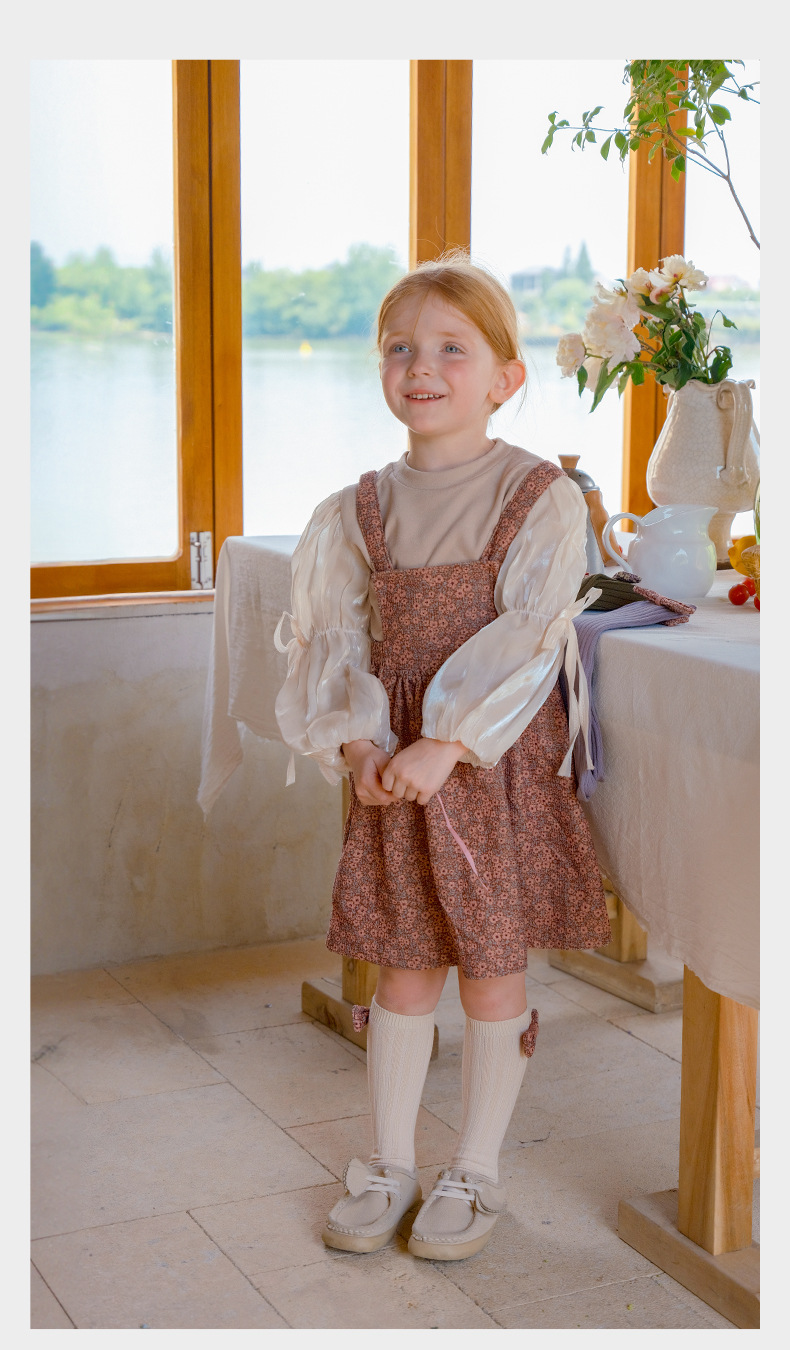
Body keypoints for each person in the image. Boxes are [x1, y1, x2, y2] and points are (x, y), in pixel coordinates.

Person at [274, 251, 610, 1262]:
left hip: (486, 772)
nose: (421, 367)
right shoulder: (356, 508)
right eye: (400, 348)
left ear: (506, 376)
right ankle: (387, 1163)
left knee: (491, 971)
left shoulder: (538, 494)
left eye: (451, 349)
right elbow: (333, 640)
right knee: (403, 965)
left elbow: (528, 638)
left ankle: (475, 1169)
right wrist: (361, 739)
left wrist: (446, 741)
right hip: (394, 771)